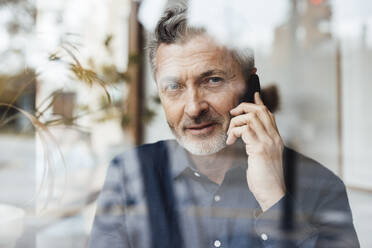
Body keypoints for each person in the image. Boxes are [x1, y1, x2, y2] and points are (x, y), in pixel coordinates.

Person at [88, 5, 359, 248]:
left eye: (213, 80)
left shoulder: (321, 186)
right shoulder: (129, 176)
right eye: (173, 87)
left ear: (251, 86)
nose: (194, 107)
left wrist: (274, 200)